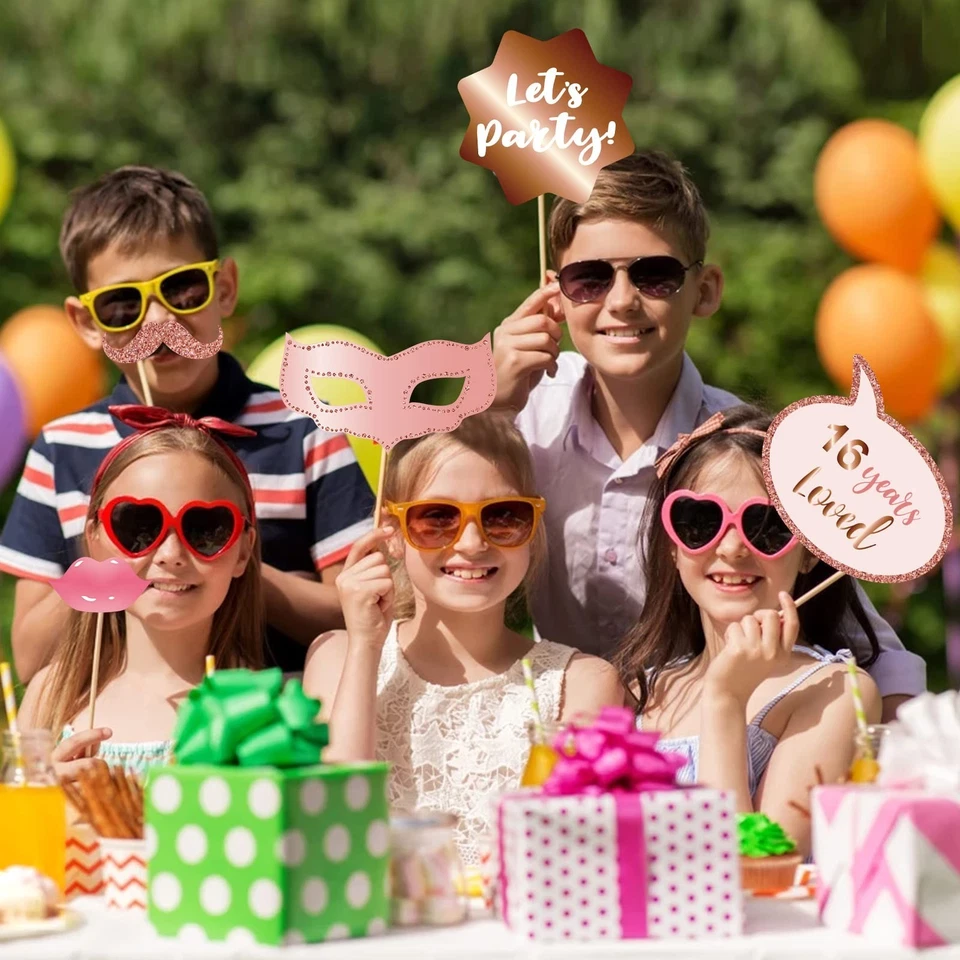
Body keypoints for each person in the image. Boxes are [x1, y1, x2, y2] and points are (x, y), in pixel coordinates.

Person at [491, 149, 923, 721]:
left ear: (706, 290)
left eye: (655, 275)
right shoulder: (517, 413)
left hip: (705, 752)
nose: (621, 300)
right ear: (556, 295)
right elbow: (421, 552)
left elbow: (877, 657)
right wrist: (487, 407)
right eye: (589, 278)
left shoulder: (756, 453)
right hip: (563, 748)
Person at [0, 166, 372, 681]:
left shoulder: (308, 432)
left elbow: (365, 618)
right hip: (115, 744)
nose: (157, 322)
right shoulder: (61, 448)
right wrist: (116, 561)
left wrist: (221, 558)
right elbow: (30, 658)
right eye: (122, 304)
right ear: (87, 322)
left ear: (224, 288)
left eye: (182, 290)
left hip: (280, 737)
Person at [303, 412, 624, 866]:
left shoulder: (582, 684)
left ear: (533, 529)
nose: (472, 543)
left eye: (503, 517)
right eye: (437, 518)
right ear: (391, 534)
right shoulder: (336, 657)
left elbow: (572, 855)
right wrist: (366, 647)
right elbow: (330, 823)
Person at [615, 406, 880, 855]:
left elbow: (756, 871)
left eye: (767, 526)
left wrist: (726, 699)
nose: (734, 547)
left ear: (811, 553)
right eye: (700, 521)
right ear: (672, 547)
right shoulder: (642, 688)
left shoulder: (838, 694)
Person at [18, 407, 263, 778]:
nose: (171, 555)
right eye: (139, 526)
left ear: (243, 550)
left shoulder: (258, 711)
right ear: (95, 540)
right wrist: (44, 799)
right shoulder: (51, 695)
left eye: (206, 529)